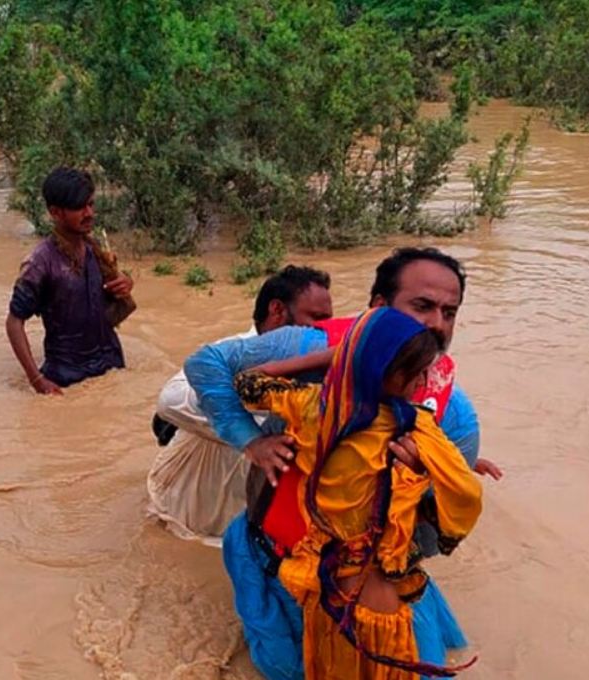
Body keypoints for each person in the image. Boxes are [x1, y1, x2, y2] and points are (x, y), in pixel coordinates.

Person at [184, 247, 501, 679]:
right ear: (376, 308)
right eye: (422, 306)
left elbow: (438, 533)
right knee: (282, 667)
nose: (436, 325)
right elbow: (207, 364)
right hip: (273, 551)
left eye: (450, 312)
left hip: (366, 583)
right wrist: (251, 440)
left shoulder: (451, 420)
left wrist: (415, 486)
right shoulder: (309, 349)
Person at [236, 308, 482, 678]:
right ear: (391, 374)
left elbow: (248, 381)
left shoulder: (314, 407)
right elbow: (467, 497)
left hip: (323, 585)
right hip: (374, 602)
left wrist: (337, 356)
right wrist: (441, 527)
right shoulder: (416, 429)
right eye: (415, 373)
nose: (422, 382)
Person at [147, 265, 333, 546]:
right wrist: (250, 434)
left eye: (328, 320)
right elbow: (169, 402)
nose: (324, 330)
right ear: (277, 311)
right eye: (316, 319)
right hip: (185, 512)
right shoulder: (229, 354)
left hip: (260, 523)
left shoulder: (321, 364)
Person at [6, 167, 136, 394]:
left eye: (91, 204)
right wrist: (37, 381)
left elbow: (111, 292)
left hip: (111, 364)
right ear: (55, 213)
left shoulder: (95, 248)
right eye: (79, 207)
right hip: (67, 377)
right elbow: (14, 323)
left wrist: (126, 282)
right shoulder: (39, 263)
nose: (89, 213)